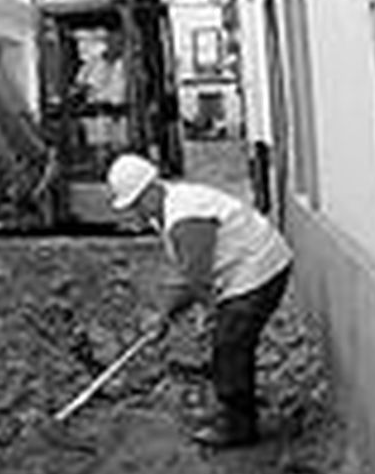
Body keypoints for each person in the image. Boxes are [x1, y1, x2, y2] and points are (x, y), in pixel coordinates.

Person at [105, 152, 293, 448]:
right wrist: (175, 314)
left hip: (260, 269)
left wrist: (165, 316)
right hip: (246, 268)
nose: (136, 213)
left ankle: (239, 427)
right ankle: (233, 407)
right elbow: (191, 274)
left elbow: (194, 277)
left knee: (230, 344)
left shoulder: (185, 216)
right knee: (229, 342)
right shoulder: (168, 208)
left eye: (137, 204)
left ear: (151, 189)